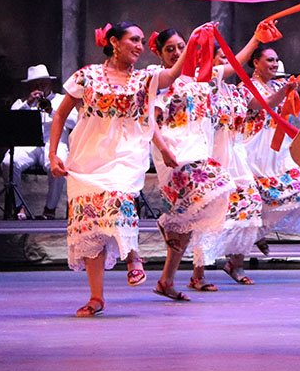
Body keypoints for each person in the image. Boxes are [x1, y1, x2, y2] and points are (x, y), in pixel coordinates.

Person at [48, 21, 195, 317]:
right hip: (87, 158)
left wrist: (194, 42)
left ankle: (132, 255)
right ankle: (96, 297)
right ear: (114, 42)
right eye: (134, 40)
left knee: (118, 199)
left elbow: (173, 72)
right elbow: (61, 114)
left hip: (126, 155)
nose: (140, 46)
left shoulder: (145, 78)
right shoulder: (87, 76)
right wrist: (53, 154)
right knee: (89, 226)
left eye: (142, 41)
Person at [146, 28, 235, 300]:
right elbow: (150, 118)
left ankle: (166, 280)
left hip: (196, 149)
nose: (176, 53)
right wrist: (162, 149)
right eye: (170, 49)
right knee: (212, 188)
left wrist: (256, 38)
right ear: (159, 53)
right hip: (174, 150)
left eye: (180, 47)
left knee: (188, 218)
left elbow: (235, 64)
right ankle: (167, 222)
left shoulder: (199, 78)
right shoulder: (157, 77)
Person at [190, 46, 264, 288]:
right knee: (209, 216)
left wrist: (286, 90)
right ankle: (198, 274)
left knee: (250, 206)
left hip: (235, 154)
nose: (229, 63)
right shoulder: (205, 85)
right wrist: (255, 41)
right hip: (213, 156)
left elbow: (259, 104)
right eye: (223, 57)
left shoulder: (235, 91)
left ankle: (235, 263)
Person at [238, 38, 300, 253]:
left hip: (279, 148)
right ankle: (238, 255)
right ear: (256, 63)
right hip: (256, 149)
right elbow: (260, 104)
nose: (274, 64)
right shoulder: (245, 87)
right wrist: (285, 91)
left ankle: (257, 235)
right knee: (256, 204)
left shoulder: (280, 84)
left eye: (276, 60)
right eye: (269, 60)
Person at [4, 64, 75, 219]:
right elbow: (12, 122)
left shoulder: (62, 100)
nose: (40, 87)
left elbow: (75, 122)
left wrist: (52, 111)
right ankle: (19, 207)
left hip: (54, 144)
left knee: (58, 164)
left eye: (43, 82)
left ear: (50, 83)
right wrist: (28, 103)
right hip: (28, 145)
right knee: (8, 163)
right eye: (35, 84)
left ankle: (50, 209)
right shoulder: (21, 103)